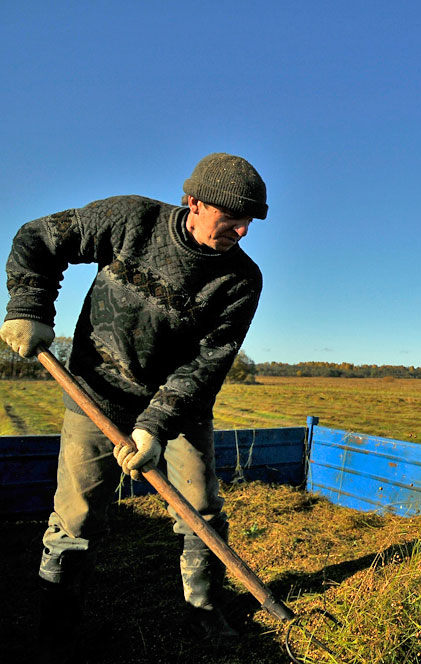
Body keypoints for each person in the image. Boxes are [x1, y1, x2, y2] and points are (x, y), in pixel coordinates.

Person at [1, 153, 267, 658]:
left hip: (179, 408)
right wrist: (29, 308)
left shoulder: (240, 281)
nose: (242, 231)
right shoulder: (131, 220)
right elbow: (37, 238)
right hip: (95, 393)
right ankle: (56, 631)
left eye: (249, 222)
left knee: (202, 509)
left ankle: (205, 608)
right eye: (232, 219)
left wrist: (155, 426)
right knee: (76, 519)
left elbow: (207, 364)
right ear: (194, 203)